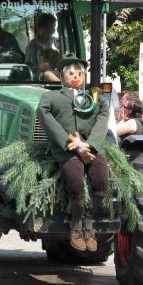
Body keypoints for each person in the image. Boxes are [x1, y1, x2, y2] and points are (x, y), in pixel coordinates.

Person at [37, 54, 109, 253]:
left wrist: (90, 146)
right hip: (66, 150)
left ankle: (89, 222)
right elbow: (44, 115)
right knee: (75, 180)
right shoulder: (51, 97)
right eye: (71, 74)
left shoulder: (94, 98)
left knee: (101, 177)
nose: (76, 77)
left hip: (91, 148)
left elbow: (103, 118)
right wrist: (73, 144)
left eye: (80, 73)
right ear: (62, 77)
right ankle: (76, 225)